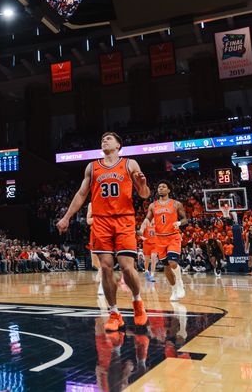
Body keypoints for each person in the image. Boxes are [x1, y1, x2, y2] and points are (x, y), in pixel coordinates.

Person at [57, 132, 150, 332]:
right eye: (103, 139)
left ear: (118, 145)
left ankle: (137, 302)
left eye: (109, 138)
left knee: (126, 267)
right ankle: (114, 313)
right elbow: (82, 194)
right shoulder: (92, 166)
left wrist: (142, 184)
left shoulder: (130, 163)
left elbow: (144, 194)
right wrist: (66, 217)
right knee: (106, 268)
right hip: (101, 222)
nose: (104, 140)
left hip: (124, 219)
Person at [140, 181, 187, 301]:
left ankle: (180, 282)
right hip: (159, 239)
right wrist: (142, 228)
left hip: (173, 237)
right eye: (159, 187)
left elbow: (185, 219)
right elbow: (147, 219)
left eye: (163, 187)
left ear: (169, 190)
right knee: (166, 266)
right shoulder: (152, 205)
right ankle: (174, 289)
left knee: (172, 262)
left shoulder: (176, 204)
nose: (160, 188)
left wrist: (179, 222)